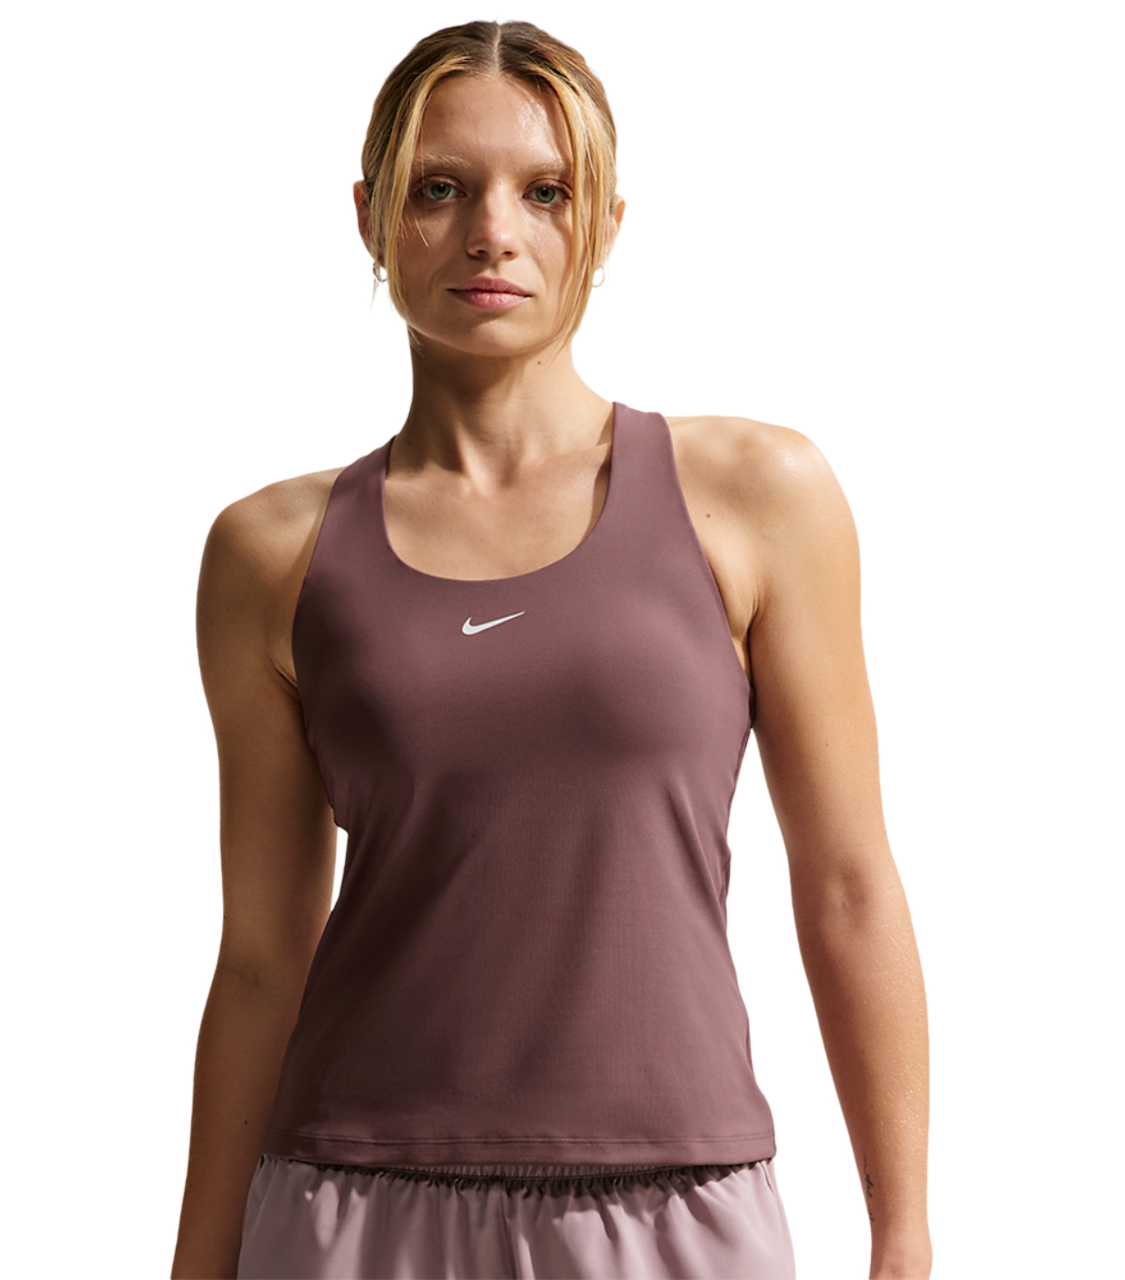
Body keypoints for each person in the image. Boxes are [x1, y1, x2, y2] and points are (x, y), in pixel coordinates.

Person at [170, 19, 931, 1280]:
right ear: (369, 216)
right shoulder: (271, 552)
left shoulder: (756, 496)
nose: (491, 233)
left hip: (675, 1209)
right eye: (438, 189)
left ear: (607, 223)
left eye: (545, 191)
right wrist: (197, 1261)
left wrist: (901, 1235)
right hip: (350, 1207)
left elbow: (846, 882)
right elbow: (258, 954)